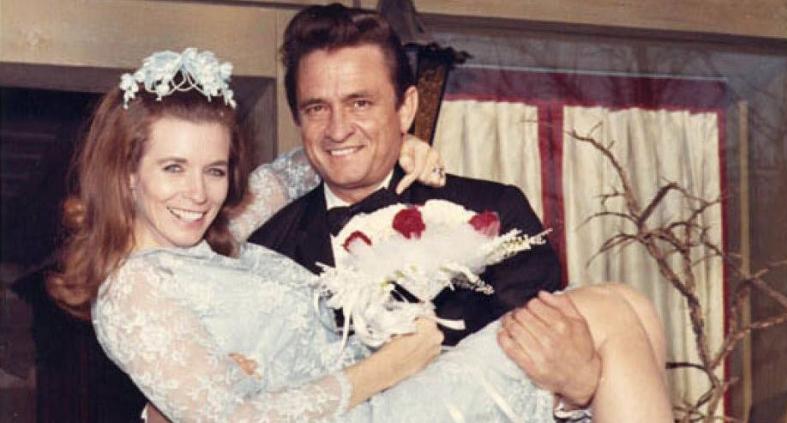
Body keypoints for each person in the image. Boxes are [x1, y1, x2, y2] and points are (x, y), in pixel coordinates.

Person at [47, 47, 673, 422]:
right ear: (125, 173)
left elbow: (299, 166)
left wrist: (402, 142)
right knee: (609, 313)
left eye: (213, 170)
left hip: (389, 395)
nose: (197, 193)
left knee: (632, 306)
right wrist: (387, 367)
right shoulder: (132, 292)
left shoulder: (214, 236)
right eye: (172, 168)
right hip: (373, 406)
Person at [247, 3, 600, 411]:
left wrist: (579, 393)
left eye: (360, 103)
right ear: (298, 119)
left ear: (406, 108)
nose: (338, 129)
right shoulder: (265, 253)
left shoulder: (495, 212)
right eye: (316, 108)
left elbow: (551, 374)